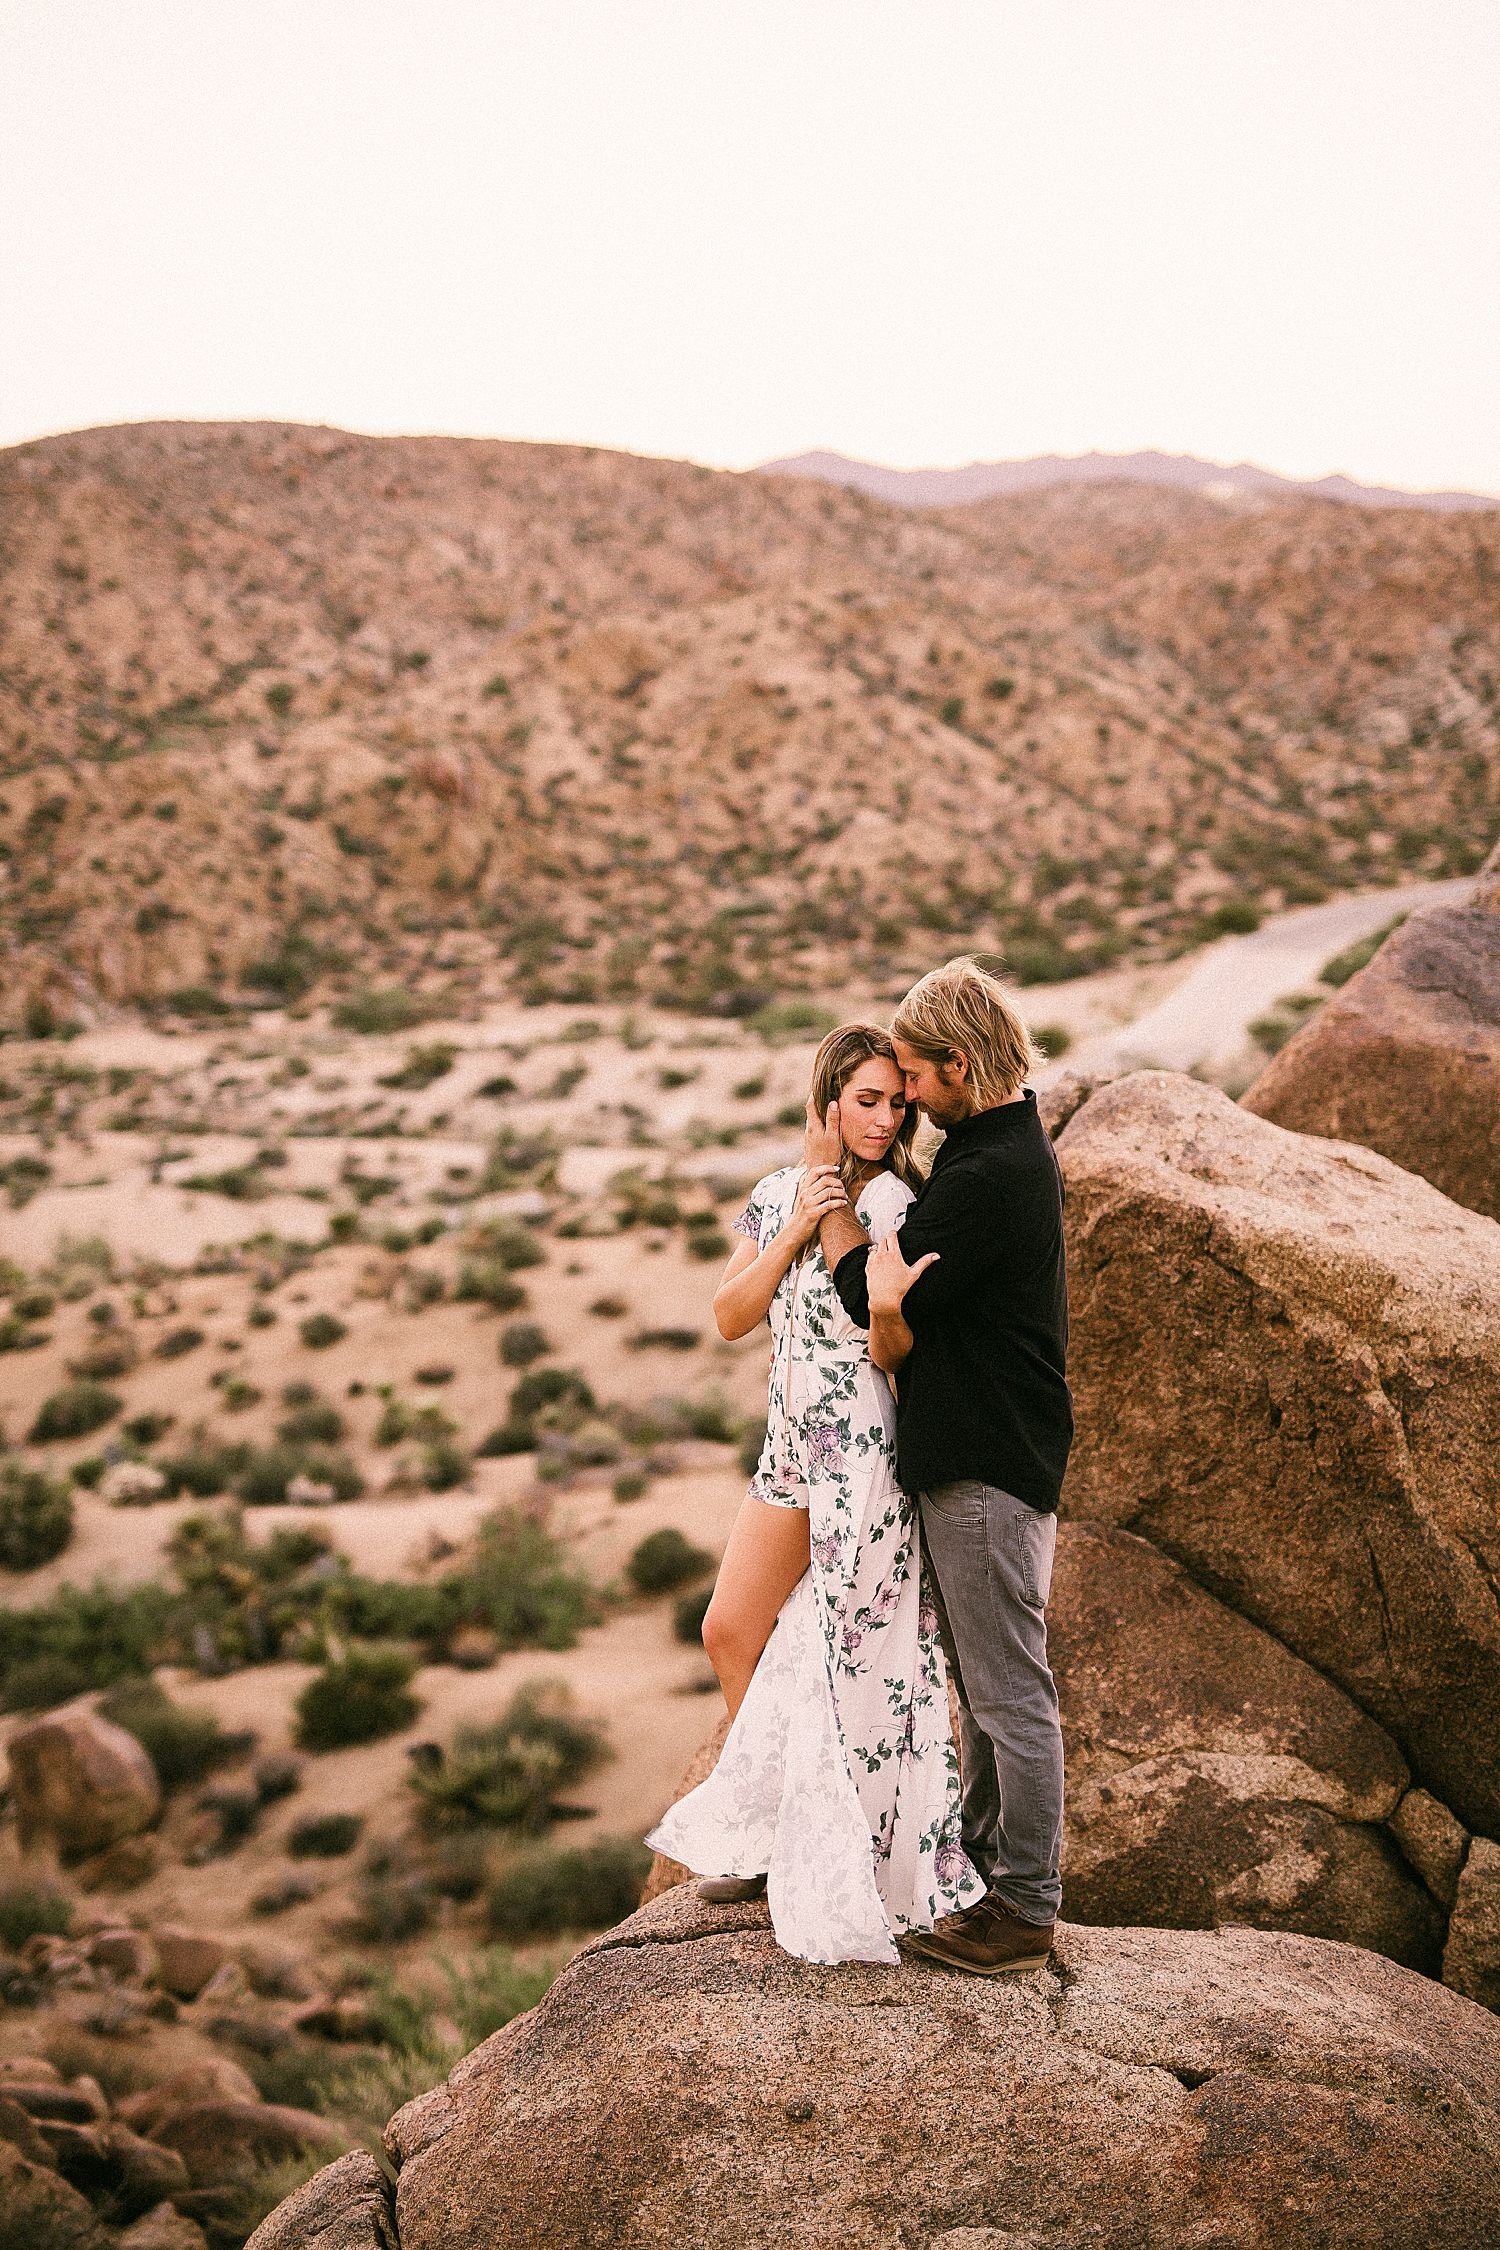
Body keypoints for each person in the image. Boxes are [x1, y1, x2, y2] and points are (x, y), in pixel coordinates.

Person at [645, 1024, 984, 1965]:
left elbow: (894, 1346)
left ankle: (852, 1851)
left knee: (859, 1658)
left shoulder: (901, 1206)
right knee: (730, 1629)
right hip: (789, 1443)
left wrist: (872, 1287)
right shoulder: (774, 1195)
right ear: (826, 1104)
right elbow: (728, 1315)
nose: (883, 1118)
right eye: (865, 1101)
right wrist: (799, 1216)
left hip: (863, 1448)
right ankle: (778, 1829)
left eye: (894, 1102)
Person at [812, 956, 1072, 1977]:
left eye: (914, 1075)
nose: (905, 1095)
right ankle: (981, 1878)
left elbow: (869, 1294)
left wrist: (832, 1199)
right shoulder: (996, 1151)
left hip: (985, 1463)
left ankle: (1024, 1907)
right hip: (988, 1455)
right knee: (989, 1687)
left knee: (1010, 1696)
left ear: (958, 1066)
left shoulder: (988, 1174)